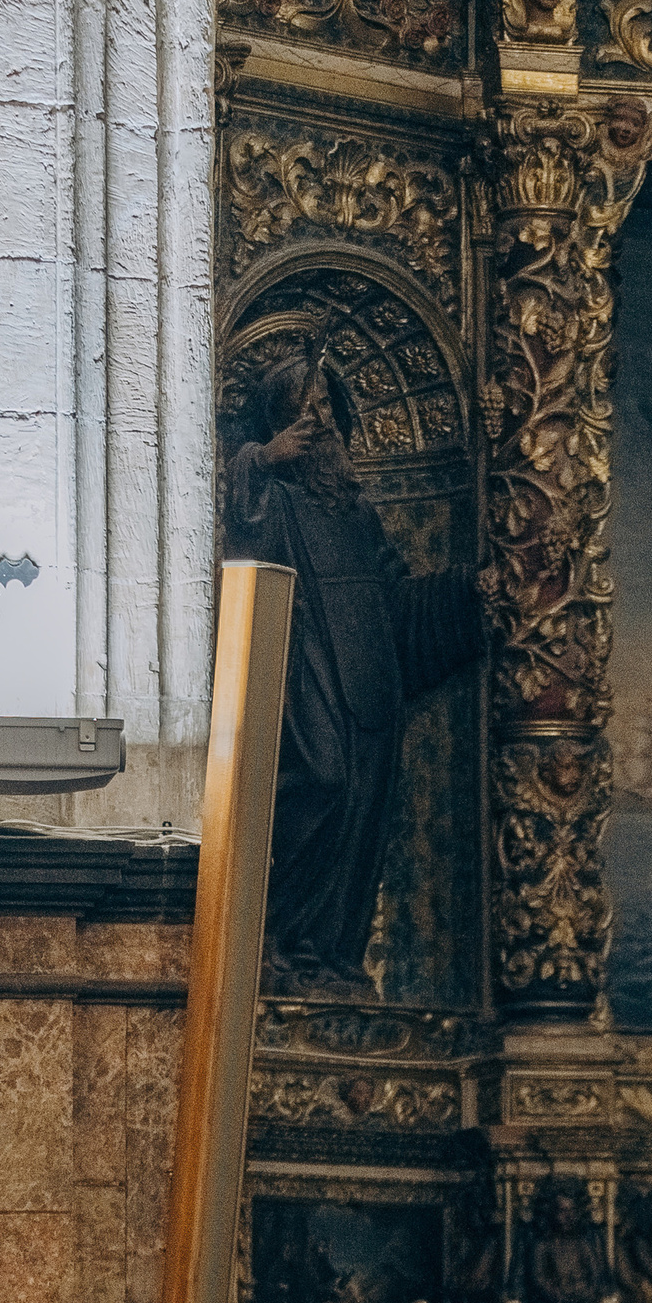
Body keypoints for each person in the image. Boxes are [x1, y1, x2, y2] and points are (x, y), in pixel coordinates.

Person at [222, 356, 480, 995]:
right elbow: (238, 525)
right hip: (308, 676)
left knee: (365, 811)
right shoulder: (275, 498)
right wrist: (262, 456)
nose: (320, 424)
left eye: (328, 411)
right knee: (322, 784)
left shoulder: (357, 515)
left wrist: (466, 593)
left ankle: (333, 955)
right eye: (303, 412)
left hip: (371, 682)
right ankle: (278, 944)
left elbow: (396, 600)